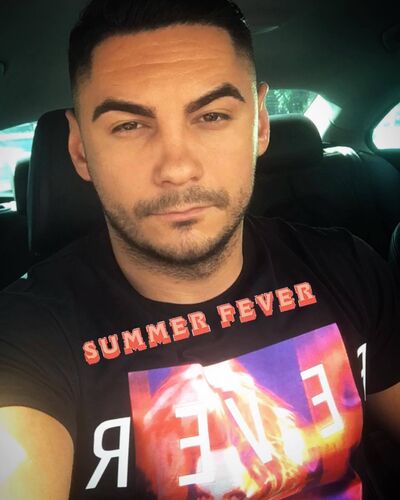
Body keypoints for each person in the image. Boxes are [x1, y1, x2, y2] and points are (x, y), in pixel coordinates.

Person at [0, 0, 399, 498]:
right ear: (80, 149)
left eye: (212, 115)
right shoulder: (25, 334)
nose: (177, 168)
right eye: (129, 125)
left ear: (259, 125)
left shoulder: (348, 266)